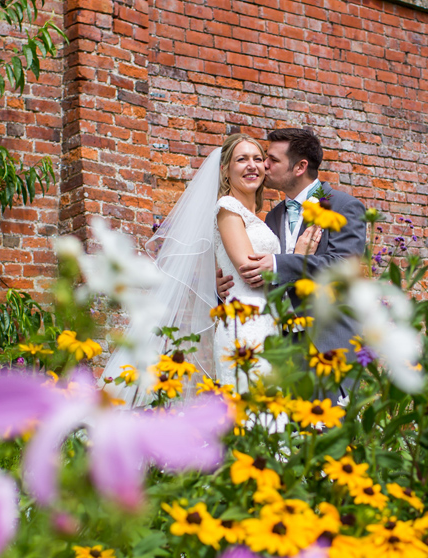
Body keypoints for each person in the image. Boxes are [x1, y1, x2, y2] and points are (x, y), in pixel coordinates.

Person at [101, 133, 318, 401]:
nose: (252, 165)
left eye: (257, 158)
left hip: (267, 323)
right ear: (225, 170)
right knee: (250, 413)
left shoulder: (259, 218)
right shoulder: (227, 208)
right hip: (245, 325)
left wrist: (218, 282)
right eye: (241, 159)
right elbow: (248, 270)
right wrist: (296, 257)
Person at [217, 128, 366, 362]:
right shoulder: (272, 217)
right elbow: (255, 275)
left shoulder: (343, 206)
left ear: (300, 167)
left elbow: (344, 269)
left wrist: (279, 264)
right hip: (279, 343)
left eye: (272, 160)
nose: (264, 165)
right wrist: (223, 286)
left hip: (325, 344)